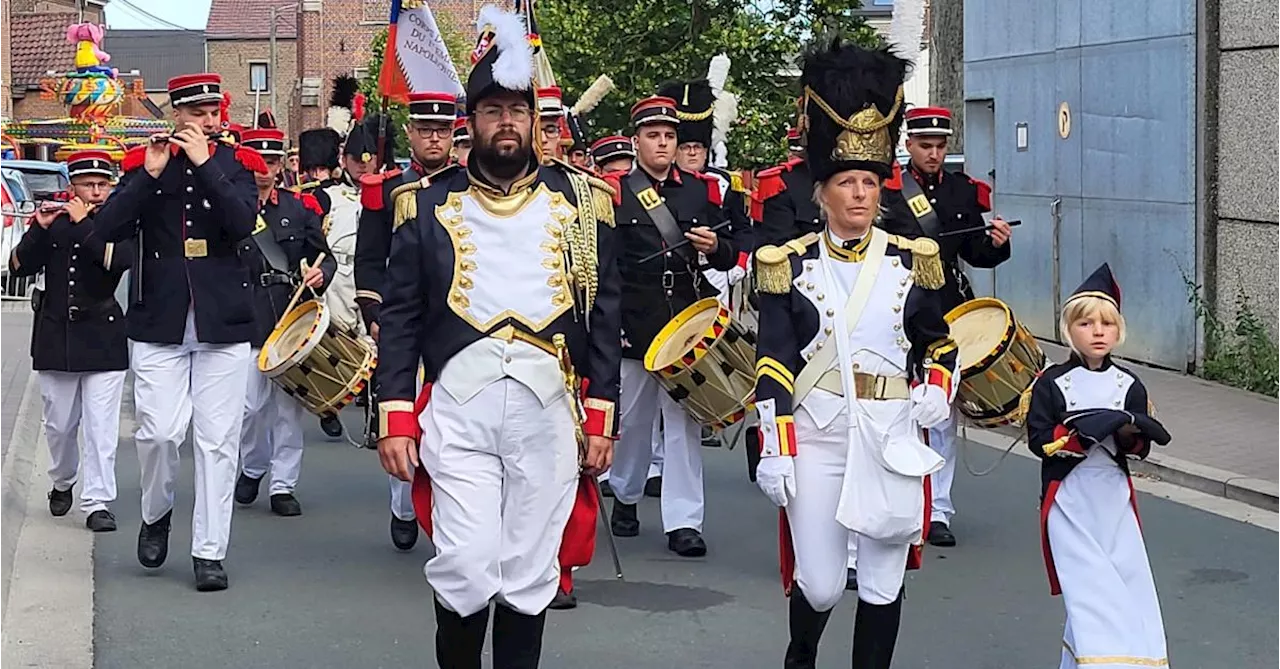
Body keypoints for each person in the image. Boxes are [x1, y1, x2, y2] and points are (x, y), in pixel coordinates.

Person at [374, 7, 621, 666]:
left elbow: (605, 315)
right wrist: (394, 412)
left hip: (548, 409)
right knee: (465, 563)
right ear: (471, 122)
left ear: (535, 120)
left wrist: (602, 415)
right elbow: (398, 315)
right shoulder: (423, 205)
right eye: (492, 110)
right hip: (459, 408)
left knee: (531, 571)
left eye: (518, 109)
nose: (506, 121)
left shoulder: (586, 204)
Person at [750, 40, 957, 669]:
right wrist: (776, 447)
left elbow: (938, 339)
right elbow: (774, 362)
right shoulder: (786, 265)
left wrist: (938, 386)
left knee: (883, 582)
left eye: (870, 182)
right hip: (816, 434)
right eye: (848, 182)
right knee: (817, 581)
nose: (862, 195)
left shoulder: (911, 260)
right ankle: (801, 655)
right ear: (825, 191)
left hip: (889, 432)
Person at [93, 72, 263, 591]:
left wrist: (207, 164)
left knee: (218, 442)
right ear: (177, 116)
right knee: (159, 433)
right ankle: (157, 510)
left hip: (223, 322)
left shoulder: (234, 164)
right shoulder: (146, 166)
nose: (209, 121)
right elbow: (107, 229)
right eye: (197, 113)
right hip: (159, 320)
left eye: (214, 111)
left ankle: (208, 551)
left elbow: (241, 222)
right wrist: (147, 174)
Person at [605, 95, 738, 557]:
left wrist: (716, 245)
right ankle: (624, 493)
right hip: (635, 321)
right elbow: (607, 266)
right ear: (636, 140)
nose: (662, 144)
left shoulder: (700, 191)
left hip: (684, 317)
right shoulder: (616, 191)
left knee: (683, 421)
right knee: (634, 421)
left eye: (669, 136)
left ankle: (684, 521)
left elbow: (731, 250)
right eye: (653, 136)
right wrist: (613, 323)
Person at [878, 106, 1013, 548]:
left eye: (940, 146)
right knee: (896, 409)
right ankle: (900, 501)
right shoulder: (887, 190)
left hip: (947, 312)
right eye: (925, 146)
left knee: (942, 413)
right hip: (895, 309)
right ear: (909, 146)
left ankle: (938, 511)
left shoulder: (963, 191)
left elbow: (976, 252)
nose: (934, 154)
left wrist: (996, 245)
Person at [1026, 263, 1172, 669]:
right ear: (1069, 329)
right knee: (1089, 591)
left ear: (1118, 330)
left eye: (1107, 323)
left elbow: (1138, 443)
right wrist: (1079, 434)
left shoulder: (1129, 384)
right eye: (1086, 323)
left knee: (1128, 583)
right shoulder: (1051, 382)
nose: (1097, 331)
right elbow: (1040, 441)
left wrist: (1128, 434)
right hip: (1069, 500)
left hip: (1113, 497)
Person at [9, 149, 132, 532]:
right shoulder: (57, 222)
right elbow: (19, 267)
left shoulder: (118, 223)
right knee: (60, 425)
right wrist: (38, 229)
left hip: (103, 332)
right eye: (87, 185)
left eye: (102, 185)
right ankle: (63, 480)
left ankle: (97, 502)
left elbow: (117, 262)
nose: (96, 192)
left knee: (100, 427)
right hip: (56, 333)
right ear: (72, 187)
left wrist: (84, 225)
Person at [355, 90, 455, 551]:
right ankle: (404, 505)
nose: (434, 139)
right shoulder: (387, 188)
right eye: (426, 130)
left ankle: (446, 509)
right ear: (411, 133)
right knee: (402, 414)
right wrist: (375, 314)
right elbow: (370, 260)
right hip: (400, 320)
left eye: (443, 130)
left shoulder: (469, 186)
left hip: (453, 320)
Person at [234, 126, 336, 517]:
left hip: (288, 315)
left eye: (273, 161)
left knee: (289, 410)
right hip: (244, 317)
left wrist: (319, 273)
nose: (265, 169)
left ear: (281, 166)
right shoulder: (232, 205)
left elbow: (325, 257)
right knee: (248, 408)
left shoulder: (299, 208)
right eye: (259, 161)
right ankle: (253, 464)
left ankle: (282, 485)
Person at [536, 86, 565, 162]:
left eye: (551, 131)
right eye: (536, 132)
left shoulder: (569, 174)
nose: (543, 139)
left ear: (559, 134)